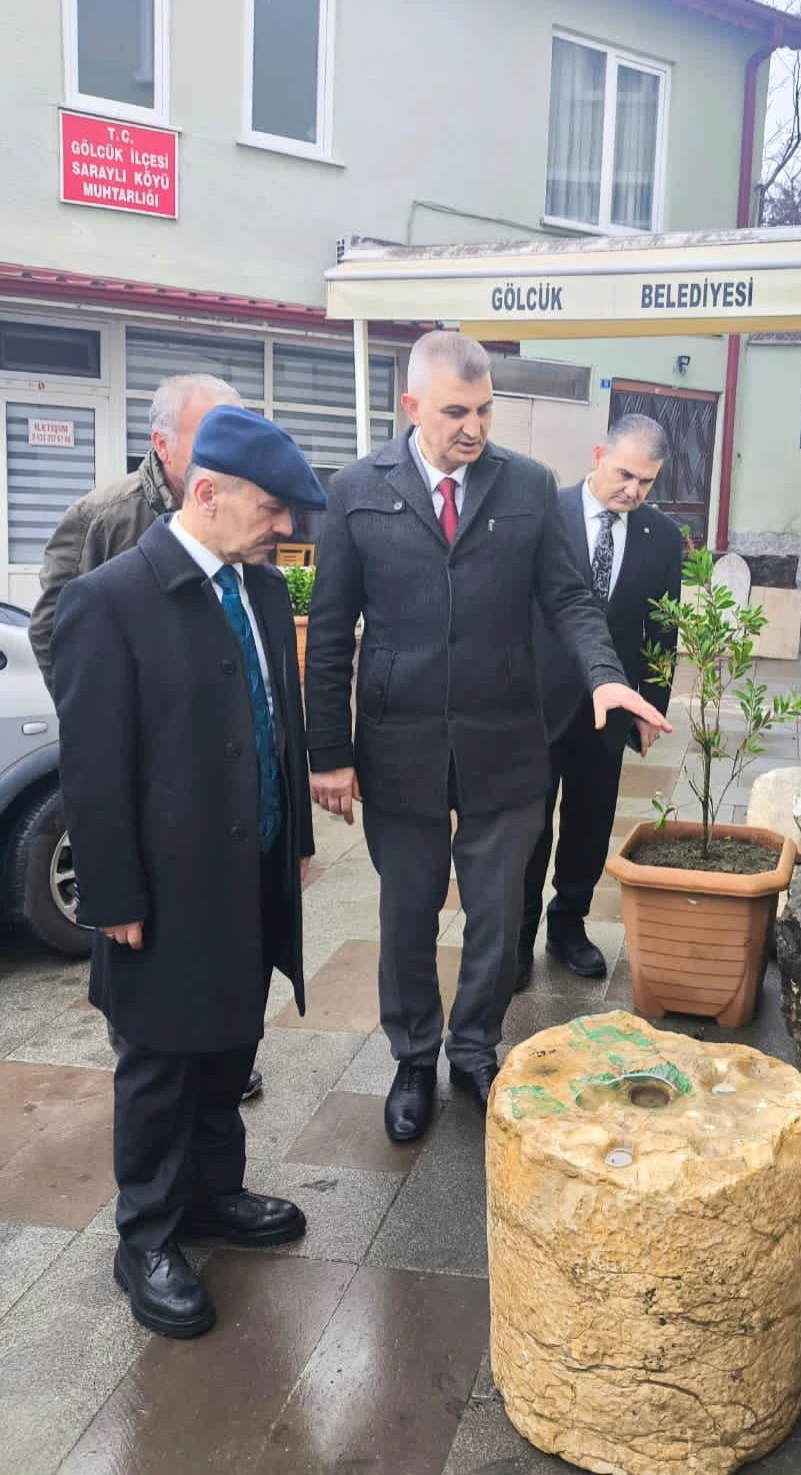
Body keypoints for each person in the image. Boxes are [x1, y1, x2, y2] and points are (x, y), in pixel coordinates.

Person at [305, 332, 670, 1146]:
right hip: (398, 743)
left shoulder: (528, 487)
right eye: (456, 412)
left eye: (484, 410)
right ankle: (412, 1057)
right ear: (412, 408)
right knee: (406, 912)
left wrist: (606, 674)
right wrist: (327, 751)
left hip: (508, 737)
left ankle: (474, 1047)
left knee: (498, 914)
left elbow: (572, 599)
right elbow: (328, 632)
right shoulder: (357, 491)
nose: (473, 427)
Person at [51, 406, 326, 1340]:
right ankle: (148, 1237)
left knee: (228, 1044)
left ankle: (214, 1194)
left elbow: (277, 717)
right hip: (160, 895)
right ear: (204, 492)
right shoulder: (113, 599)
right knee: (162, 1063)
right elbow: (93, 766)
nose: (282, 526)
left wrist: (293, 840)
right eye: (270, 507)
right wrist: (113, 894)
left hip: (247, 875)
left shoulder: (258, 592)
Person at [31, 374, 266, 1105]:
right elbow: (53, 622)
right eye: (208, 435)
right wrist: (98, 703)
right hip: (142, 775)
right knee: (151, 1019)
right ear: (164, 443)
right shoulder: (103, 516)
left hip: (215, 780)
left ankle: (216, 1092)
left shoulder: (240, 527)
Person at [517, 416, 682, 991]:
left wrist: (649, 706)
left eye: (647, 482)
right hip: (537, 702)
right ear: (598, 455)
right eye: (626, 474)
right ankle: (516, 940)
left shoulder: (660, 537)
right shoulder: (545, 512)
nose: (634, 491)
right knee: (529, 827)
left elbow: (663, 631)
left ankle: (569, 927)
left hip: (610, 711)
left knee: (589, 824)